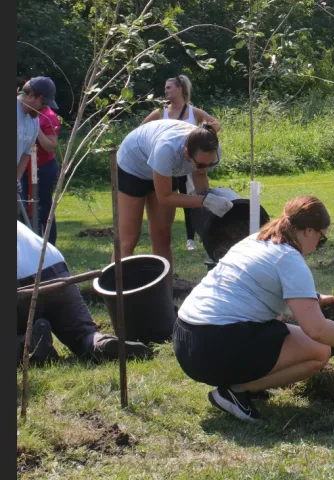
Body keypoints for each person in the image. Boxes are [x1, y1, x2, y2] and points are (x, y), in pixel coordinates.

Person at [174, 196, 334, 421]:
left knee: (287, 333)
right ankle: (236, 390)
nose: (316, 247)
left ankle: (245, 385)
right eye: (321, 239)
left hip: (187, 338)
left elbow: (262, 282)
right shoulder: (289, 259)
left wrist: (316, 298)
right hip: (212, 347)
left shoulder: (258, 239)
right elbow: (317, 330)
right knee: (319, 351)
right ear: (309, 231)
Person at [17, 221, 152, 365]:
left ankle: (28, 341)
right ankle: (101, 343)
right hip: (54, 268)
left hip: (22, 285)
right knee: (83, 334)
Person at [115, 119, 233, 279]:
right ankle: (119, 293)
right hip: (134, 166)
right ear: (186, 154)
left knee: (162, 235)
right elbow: (164, 197)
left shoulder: (210, 148)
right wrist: (205, 201)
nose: (206, 168)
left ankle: (164, 293)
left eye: (210, 164)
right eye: (200, 164)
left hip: (166, 168)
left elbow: (200, 176)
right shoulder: (167, 149)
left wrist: (207, 208)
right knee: (128, 239)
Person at [141, 75, 222, 251]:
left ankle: (193, 237)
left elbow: (217, 125)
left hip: (190, 165)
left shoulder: (193, 111)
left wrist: (205, 131)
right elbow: (141, 129)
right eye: (165, 87)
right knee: (168, 201)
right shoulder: (160, 113)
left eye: (169, 87)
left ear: (180, 89)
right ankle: (167, 239)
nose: (166, 91)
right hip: (166, 164)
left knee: (191, 199)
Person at [19, 104, 61, 245]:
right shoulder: (23, 113)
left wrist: (36, 129)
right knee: (25, 207)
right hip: (25, 167)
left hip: (43, 168)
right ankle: (30, 244)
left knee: (44, 208)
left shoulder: (48, 117)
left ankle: (49, 245)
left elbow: (50, 146)